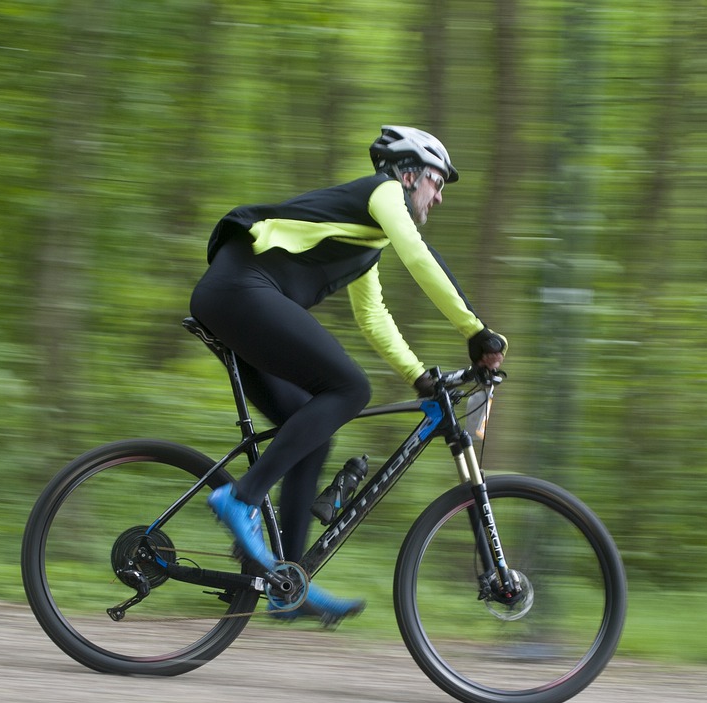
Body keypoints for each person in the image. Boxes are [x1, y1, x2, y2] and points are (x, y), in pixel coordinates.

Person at [190, 125, 506, 626]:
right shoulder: (382, 194)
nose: (439, 197)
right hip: (238, 291)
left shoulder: (365, 237)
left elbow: (373, 317)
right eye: (437, 182)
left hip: (237, 301)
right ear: (408, 173)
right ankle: (242, 496)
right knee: (349, 388)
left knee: (312, 434)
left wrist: (418, 375)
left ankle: (284, 582)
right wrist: (475, 329)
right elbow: (419, 256)